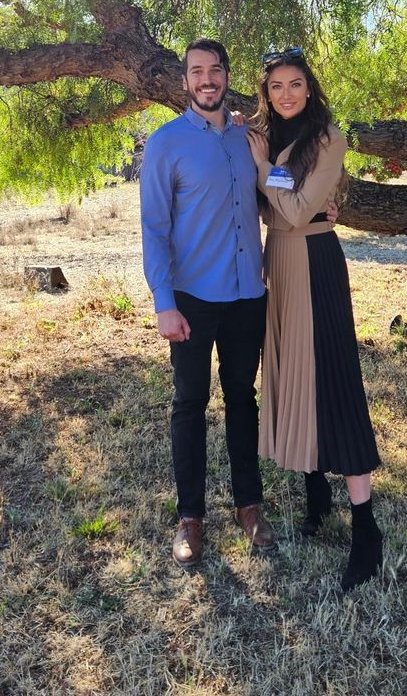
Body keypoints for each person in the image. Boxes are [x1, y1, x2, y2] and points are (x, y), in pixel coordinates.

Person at [245, 48, 383, 590]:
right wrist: (269, 179)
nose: (286, 94)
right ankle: (315, 495)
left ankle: (366, 530)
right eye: (276, 85)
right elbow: (269, 208)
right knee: (291, 375)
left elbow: (300, 210)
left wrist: (263, 172)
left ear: (310, 87)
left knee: (331, 382)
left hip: (316, 263)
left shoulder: (328, 137)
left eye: (295, 84)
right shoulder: (264, 135)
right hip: (277, 261)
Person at [140, 39, 276, 567]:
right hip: (192, 299)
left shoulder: (249, 137)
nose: (206, 79)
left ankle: (249, 508)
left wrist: (323, 204)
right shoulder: (166, 143)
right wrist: (163, 302)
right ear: (185, 82)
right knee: (189, 405)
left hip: (247, 294)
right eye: (197, 71)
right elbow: (154, 227)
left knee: (243, 399)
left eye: (215, 70)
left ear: (226, 75)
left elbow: (276, 189)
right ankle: (190, 519)